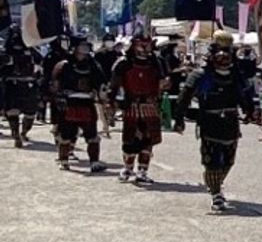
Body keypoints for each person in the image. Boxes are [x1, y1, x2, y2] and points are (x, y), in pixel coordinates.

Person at [173, 29, 261, 211]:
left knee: (228, 161)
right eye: (219, 53)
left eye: (227, 53)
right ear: (212, 53)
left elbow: (245, 95)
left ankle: (215, 183)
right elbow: (184, 97)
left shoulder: (237, 75)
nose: (223, 57)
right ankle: (216, 194)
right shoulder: (200, 75)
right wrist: (179, 118)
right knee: (212, 160)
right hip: (209, 121)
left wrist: (250, 111)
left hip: (230, 121)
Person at [111, 27, 166, 183]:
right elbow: (114, 86)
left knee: (148, 139)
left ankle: (142, 171)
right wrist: (112, 102)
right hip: (132, 105)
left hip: (150, 105)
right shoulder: (123, 63)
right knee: (130, 139)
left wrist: (163, 85)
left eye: (148, 45)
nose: (145, 49)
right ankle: (127, 168)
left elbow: (162, 81)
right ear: (134, 45)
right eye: (142, 45)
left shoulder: (156, 62)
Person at [50, 34, 106, 173]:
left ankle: (94, 162)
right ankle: (64, 160)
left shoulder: (93, 65)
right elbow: (54, 85)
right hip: (69, 104)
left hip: (87, 103)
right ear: (75, 48)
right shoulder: (63, 66)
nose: (85, 48)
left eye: (86, 46)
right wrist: (59, 98)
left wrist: (101, 94)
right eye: (82, 46)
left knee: (92, 134)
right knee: (66, 134)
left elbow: (101, 83)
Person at [2, 28, 39, 146]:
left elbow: (40, 62)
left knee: (30, 113)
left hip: (27, 84)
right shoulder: (5, 52)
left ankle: (22, 133)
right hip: (12, 85)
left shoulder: (31, 50)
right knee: (13, 112)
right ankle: (17, 134)